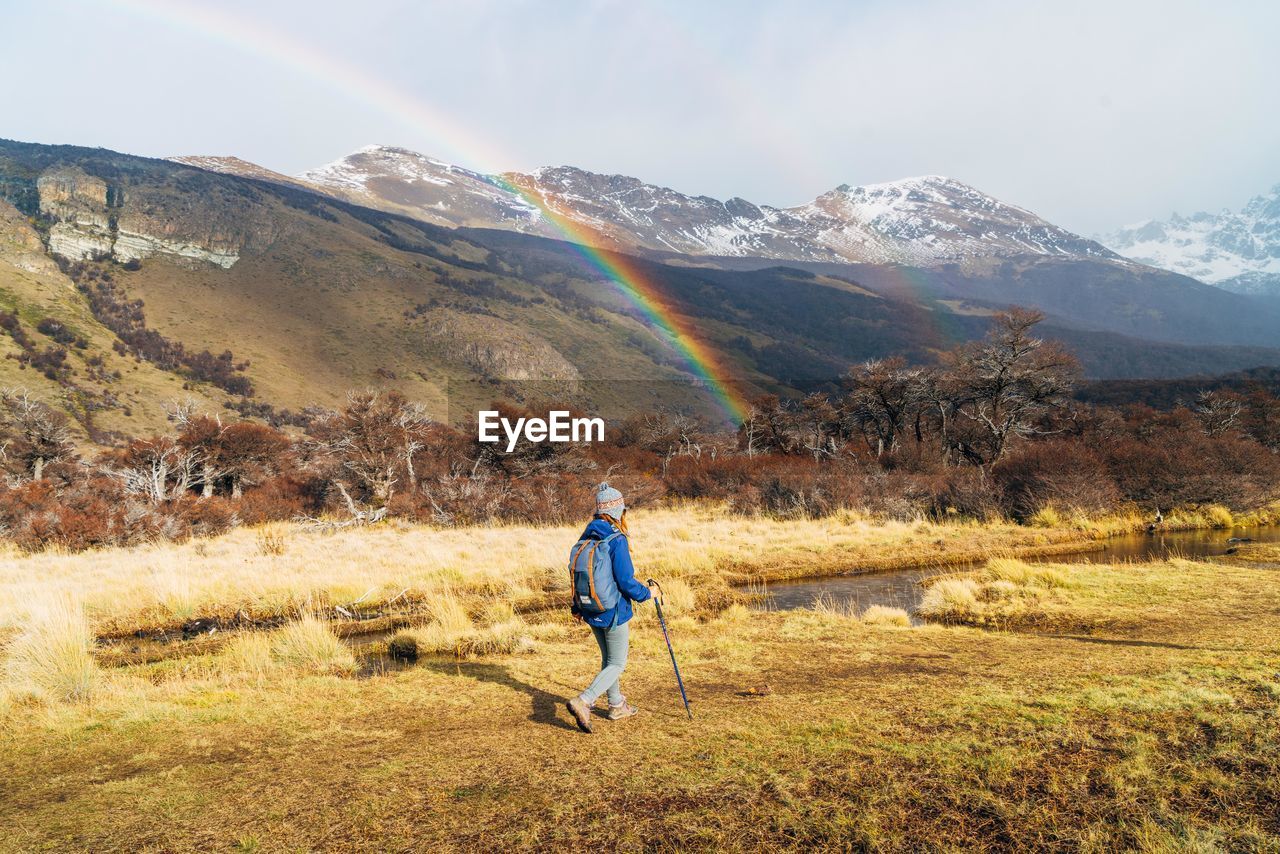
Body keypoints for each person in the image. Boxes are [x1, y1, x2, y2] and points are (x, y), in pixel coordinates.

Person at [565, 482, 652, 733]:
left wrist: (577, 606)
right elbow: (625, 580)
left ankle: (615, 705)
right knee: (618, 662)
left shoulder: (587, 536)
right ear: (617, 511)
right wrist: (648, 593)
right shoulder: (616, 538)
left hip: (590, 607)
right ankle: (584, 701)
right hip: (612, 609)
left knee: (608, 659)